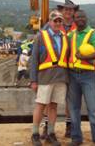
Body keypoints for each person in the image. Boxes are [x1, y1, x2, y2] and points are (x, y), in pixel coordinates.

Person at [41, 0, 79, 139]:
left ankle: (69, 126)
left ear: (74, 12)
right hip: (56, 69)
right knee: (50, 99)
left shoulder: (78, 25)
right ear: (62, 11)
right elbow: (41, 42)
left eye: (71, 9)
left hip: (73, 68)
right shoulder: (51, 25)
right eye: (66, 9)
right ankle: (47, 127)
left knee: (71, 99)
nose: (68, 11)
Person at [30, 10, 68, 146]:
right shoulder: (41, 37)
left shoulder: (65, 37)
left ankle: (51, 134)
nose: (58, 23)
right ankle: (35, 134)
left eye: (60, 21)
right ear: (50, 22)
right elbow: (33, 59)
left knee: (53, 106)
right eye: (55, 21)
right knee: (40, 105)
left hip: (60, 77)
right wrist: (33, 80)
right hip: (45, 77)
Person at [67, 10, 95, 146]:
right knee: (74, 109)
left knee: (93, 108)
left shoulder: (93, 34)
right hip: (72, 75)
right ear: (74, 20)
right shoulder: (71, 35)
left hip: (87, 76)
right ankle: (76, 138)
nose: (80, 19)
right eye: (77, 17)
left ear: (86, 18)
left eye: (82, 16)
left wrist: (84, 57)